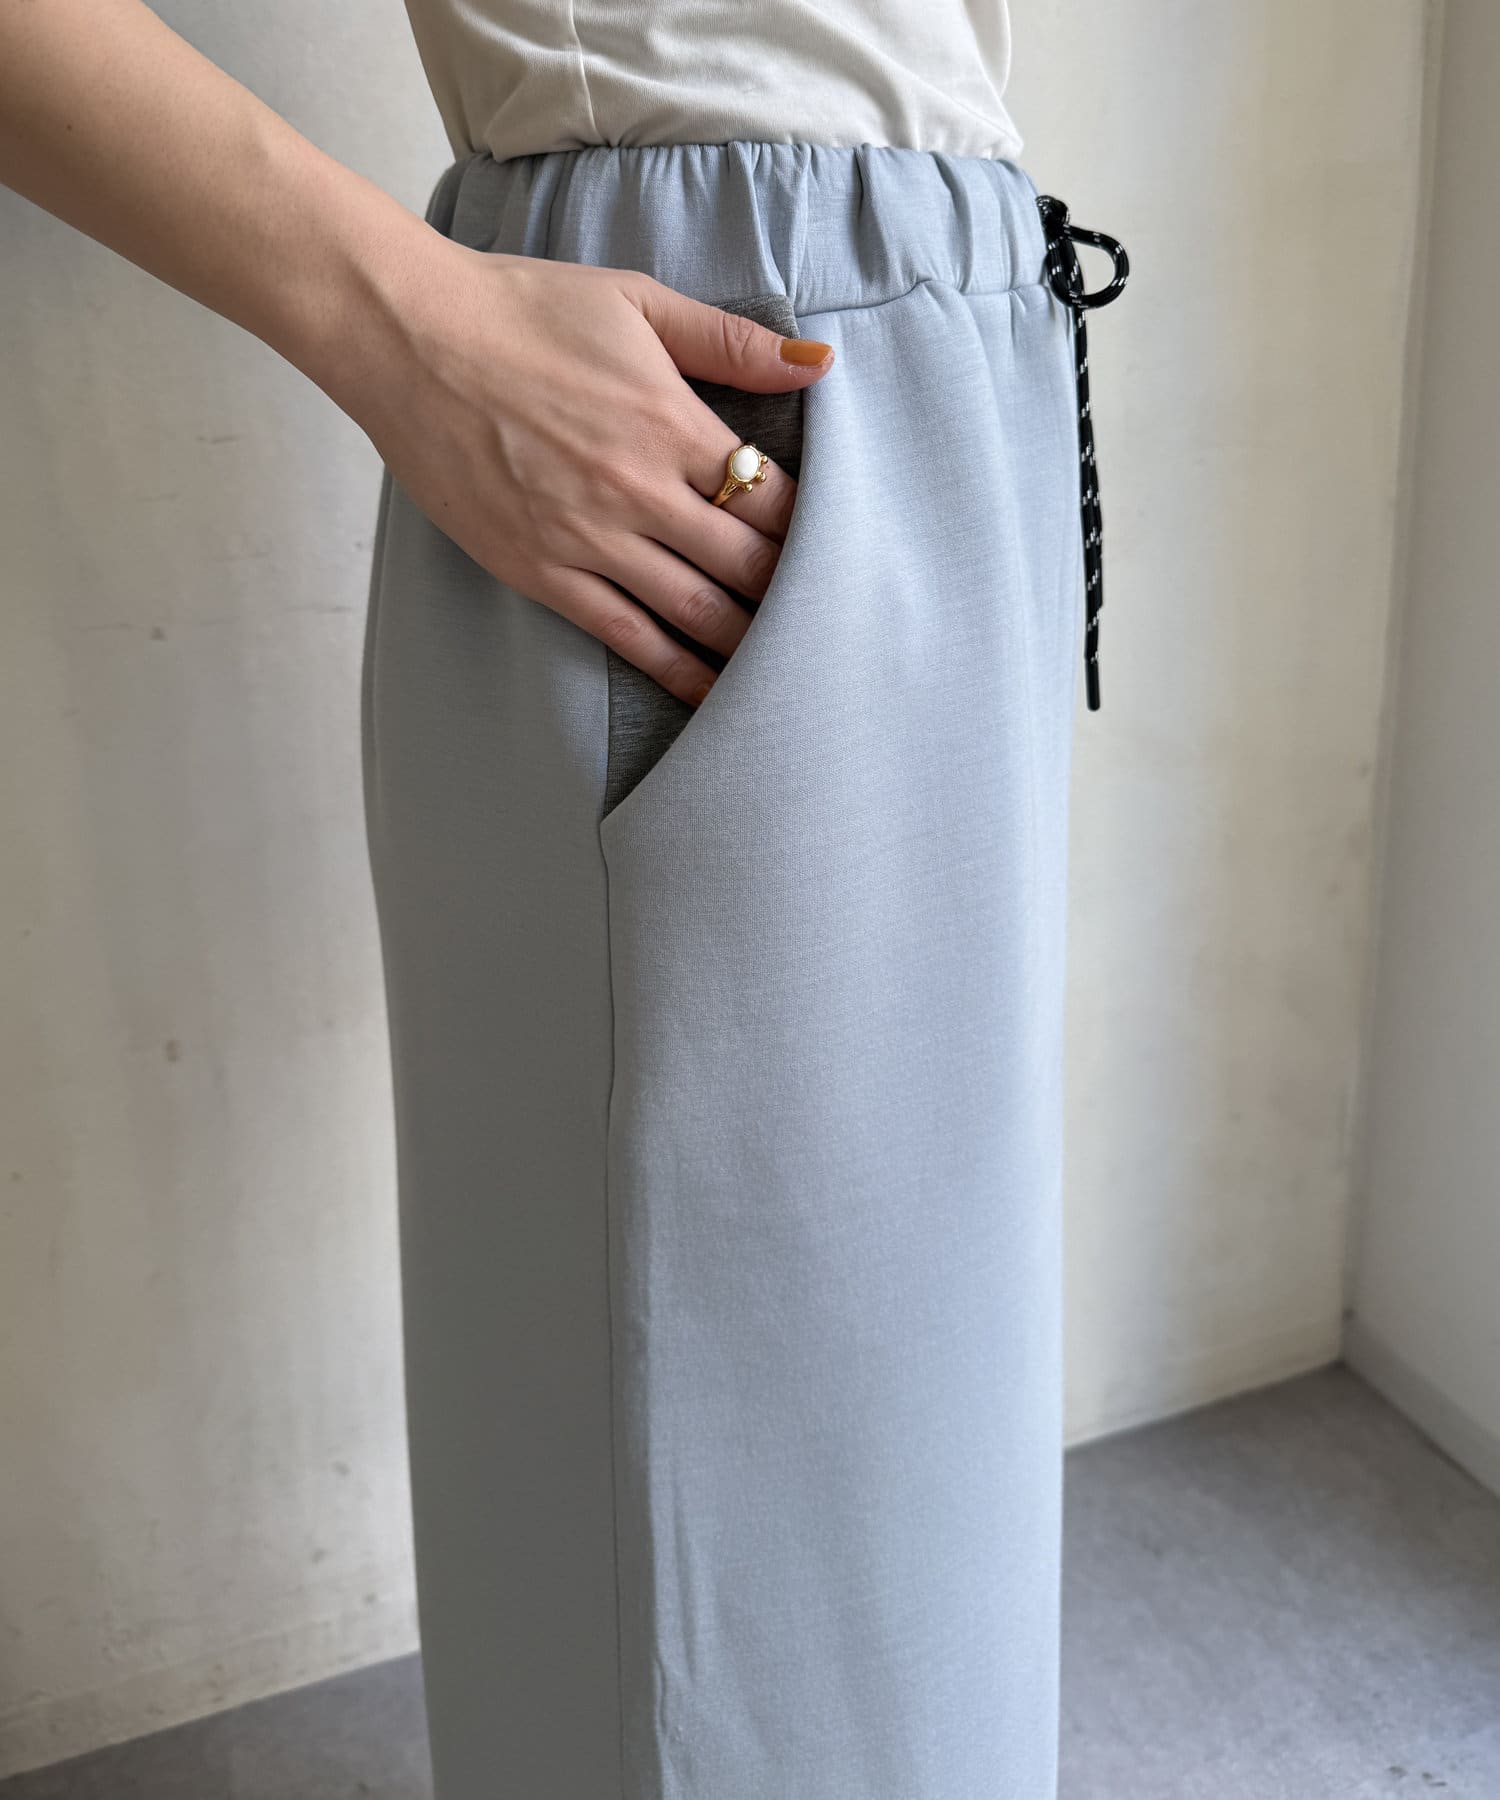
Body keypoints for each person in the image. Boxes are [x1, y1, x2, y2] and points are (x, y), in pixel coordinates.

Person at [1, 2, 1128, 1794]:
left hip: (956, 345)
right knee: (730, 1539)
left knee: (912, 1493)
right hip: (704, 389)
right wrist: (401, 325)